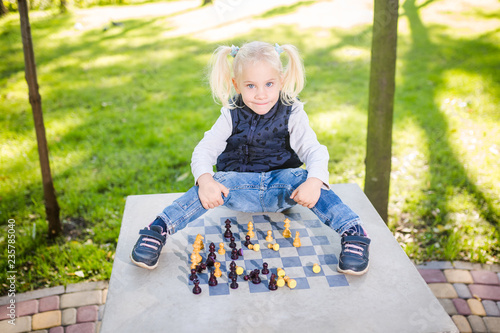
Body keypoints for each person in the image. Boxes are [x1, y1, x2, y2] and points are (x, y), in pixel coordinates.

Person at [130, 41, 370, 275]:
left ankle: (353, 230)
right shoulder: (230, 113)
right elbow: (204, 150)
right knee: (211, 181)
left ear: (281, 81)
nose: (261, 94)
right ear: (237, 85)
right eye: (251, 86)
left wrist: (314, 182)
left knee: (306, 177)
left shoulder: (293, 111)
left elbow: (314, 150)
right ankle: (158, 228)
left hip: (282, 187)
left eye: (269, 84)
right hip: (238, 187)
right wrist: (205, 181)